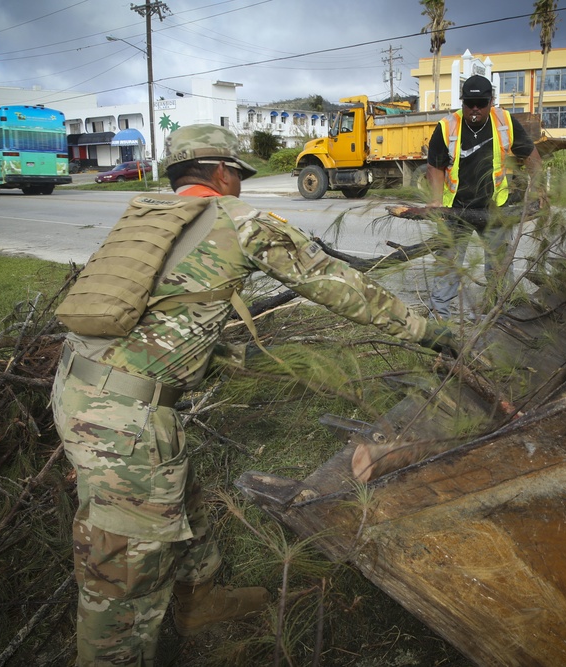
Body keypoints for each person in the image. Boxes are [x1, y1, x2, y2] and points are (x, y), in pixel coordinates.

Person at [50, 124, 453, 666]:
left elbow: (153, 322)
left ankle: (201, 600)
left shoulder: (149, 219)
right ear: (221, 173)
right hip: (123, 421)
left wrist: (242, 357)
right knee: (120, 570)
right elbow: (338, 284)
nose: (239, 185)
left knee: (178, 486)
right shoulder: (238, 221)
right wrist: (429, 332)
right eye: (237, 175)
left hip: (80, 388)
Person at [426, 74, 543, 319]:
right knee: (447, 267)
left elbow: (531, 155)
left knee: (500, 269)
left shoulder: (505, 122)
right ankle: (439, 324)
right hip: (455, 211)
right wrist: (436, 199)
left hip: (495, 210)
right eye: (470, 103)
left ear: (492, 101)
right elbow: (435, 165)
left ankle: (501, 319)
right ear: (462, 102)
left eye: (481, 103)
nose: (475, 109)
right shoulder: (447, 126)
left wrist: (537, 189)